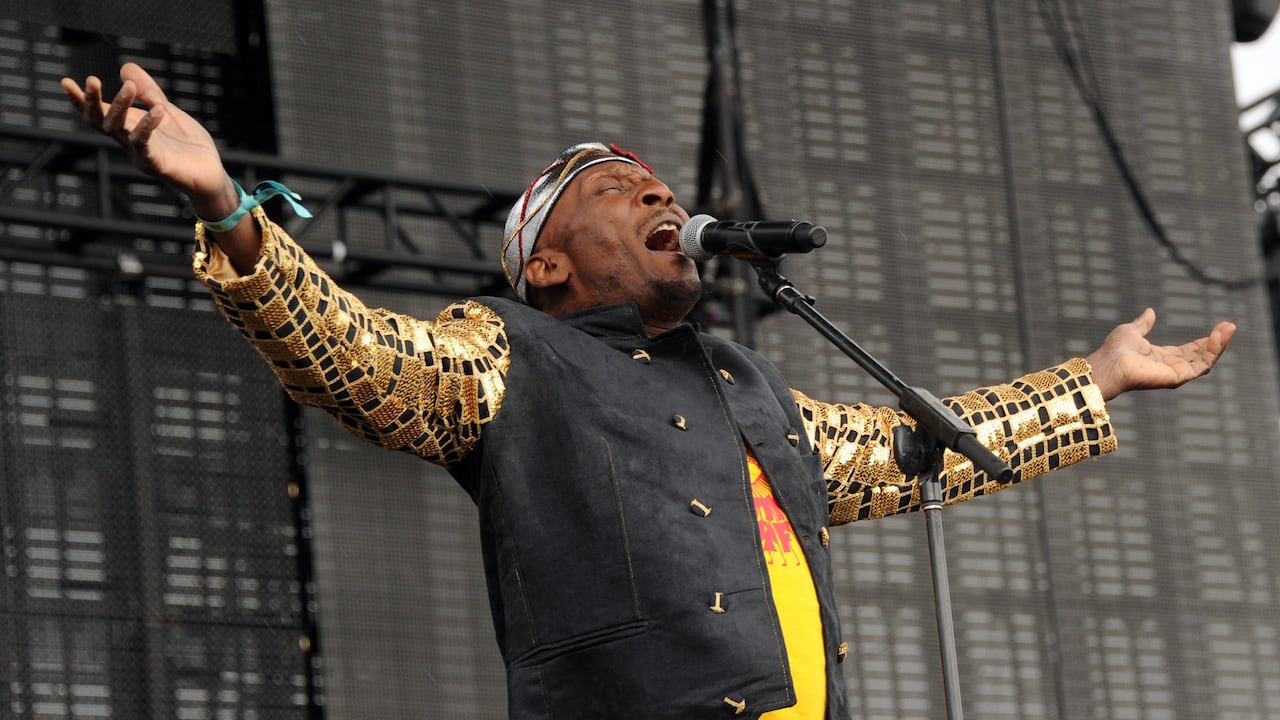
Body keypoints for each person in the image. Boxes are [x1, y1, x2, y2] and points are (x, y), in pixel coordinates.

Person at [63, 64, 1235, 720]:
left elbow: (905, 449)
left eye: (658, 183)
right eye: (618, 188)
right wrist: (227, 207)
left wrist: (1092, 381)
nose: (655, 193)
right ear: (548, 262)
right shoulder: (509, 349)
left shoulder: (750, 382)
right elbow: (362, 360)